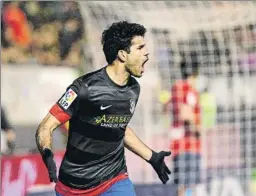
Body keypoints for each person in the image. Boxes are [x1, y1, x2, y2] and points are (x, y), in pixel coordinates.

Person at [35, 21, 171, 196]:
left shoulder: (133, 89)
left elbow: (118, 128)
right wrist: (47, 154)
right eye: (140, 48)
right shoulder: (83, 88)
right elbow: (45, 127)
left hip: (114, 180)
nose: (146, 53)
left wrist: (151, 156)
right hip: (73, 186)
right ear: (122, 55)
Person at [165, 58, 201, 196]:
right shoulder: (189, 90)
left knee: (182, 186)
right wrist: (198, 130)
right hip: (189, 145)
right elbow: (185, 113)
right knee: (189, 186)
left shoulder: (175, 88)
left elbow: (167, 107)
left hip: (178, 145)